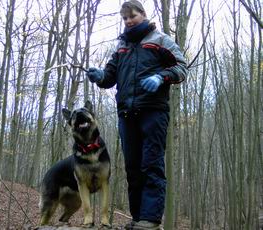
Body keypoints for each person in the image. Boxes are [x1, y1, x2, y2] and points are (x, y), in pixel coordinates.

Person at [86, 0, 187, 229]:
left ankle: (150, 220)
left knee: (151, 164)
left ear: (143, 14)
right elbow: (109, 77)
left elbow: (181, 67)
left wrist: (161, 77)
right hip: (126, 113)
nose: (129, 21)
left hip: (153, 111)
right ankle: (138, 218)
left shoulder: (159, 40)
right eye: (125, 18)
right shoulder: (122, 46)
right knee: (132, 167)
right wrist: (99, 75)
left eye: (132, 16)